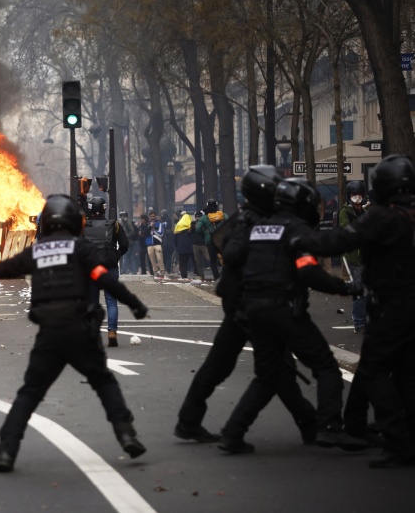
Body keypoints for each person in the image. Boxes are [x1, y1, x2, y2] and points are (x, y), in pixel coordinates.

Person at [0, 194, 149, 472]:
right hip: (81, 329)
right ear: (73, 222)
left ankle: (6, 449)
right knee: (103, 383)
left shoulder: (37, 250)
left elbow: (4, 268)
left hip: (49, 334)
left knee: (30, 392)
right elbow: (104, 278)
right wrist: (135, 304)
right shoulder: (81, 249)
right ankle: (126, 434)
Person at [217, 177, 367, 453]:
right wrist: (345, 287)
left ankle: (232, 432)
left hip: (253, 309)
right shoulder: (296, 229)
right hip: (283, 309)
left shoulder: (258, 227)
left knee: (267, 375)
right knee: (325, 366)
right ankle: (330, 427)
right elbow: (308, 270)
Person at [175, 166, 316, 445]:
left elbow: (222, 247)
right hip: (248, 300)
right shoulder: (251, 221)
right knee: (278, 367)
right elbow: (234, 254)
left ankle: (189, 420)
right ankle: (310, 425)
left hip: (239, 300)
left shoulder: (245, 218)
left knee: (221, 364)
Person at [294, 155, 415, 467]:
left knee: (374, 370)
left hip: (391, 304)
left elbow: (341, 239)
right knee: (403, 371)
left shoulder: (383, 216)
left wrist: (300, 238)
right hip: (405, 304)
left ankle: (399, 438)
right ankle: (365, 427)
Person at [83, 196, 128, 347]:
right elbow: (125, 244)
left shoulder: (83, 226)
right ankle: (112, 331)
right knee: (111, 301)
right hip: (110, 267)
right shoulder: (113, 225)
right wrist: (116, 255)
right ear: (104, 209)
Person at [337, 181, 367, 333]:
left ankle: (366, 319)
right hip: (353, 258)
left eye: (359, 195)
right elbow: (346, 230)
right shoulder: (345, 212)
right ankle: (359, 323)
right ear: (349, 197)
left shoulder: (366, 213)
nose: (357, 198)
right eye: (354, 195)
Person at [173, 211, 195, 280]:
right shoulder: (191, 227)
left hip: (181, 248)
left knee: (182, 263)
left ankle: (184, 276)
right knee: (194, 261)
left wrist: (177, 247)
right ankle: (197, 273)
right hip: (191, 248)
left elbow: (175, 239)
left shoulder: (178, 226)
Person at [146, 211, 165, 278]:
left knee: (159, 258)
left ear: (155, 216)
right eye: (151, 216)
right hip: (149, 244)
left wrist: (154, 230)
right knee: (152, 259)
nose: (152, 218)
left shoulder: (159, 224)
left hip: (157, 244)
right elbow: (145, 233)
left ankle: (162, 271)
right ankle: (155, 271)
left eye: (153, 216)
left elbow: (161, 233)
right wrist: (149, 227)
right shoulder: (147, 224)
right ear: (149, 217)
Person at [191, 210, 208, 281]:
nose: (197, 218)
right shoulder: (193, 223)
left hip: (204, 244)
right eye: (196, 216)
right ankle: (201, 276)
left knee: (209, 258)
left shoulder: (204, 223)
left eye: (199, 216)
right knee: (198, 261)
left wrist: (200, 226)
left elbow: (206, 232)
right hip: (195, 244)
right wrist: (192, 225)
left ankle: (217, 273)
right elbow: (189, 232)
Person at [160, 209, 176, 274]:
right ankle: (168, 269)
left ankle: (166, 269)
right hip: (168, 242)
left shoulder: (165, 222)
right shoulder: (168, 220)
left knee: (166, 256)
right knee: (168, 256)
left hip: (165, 243)